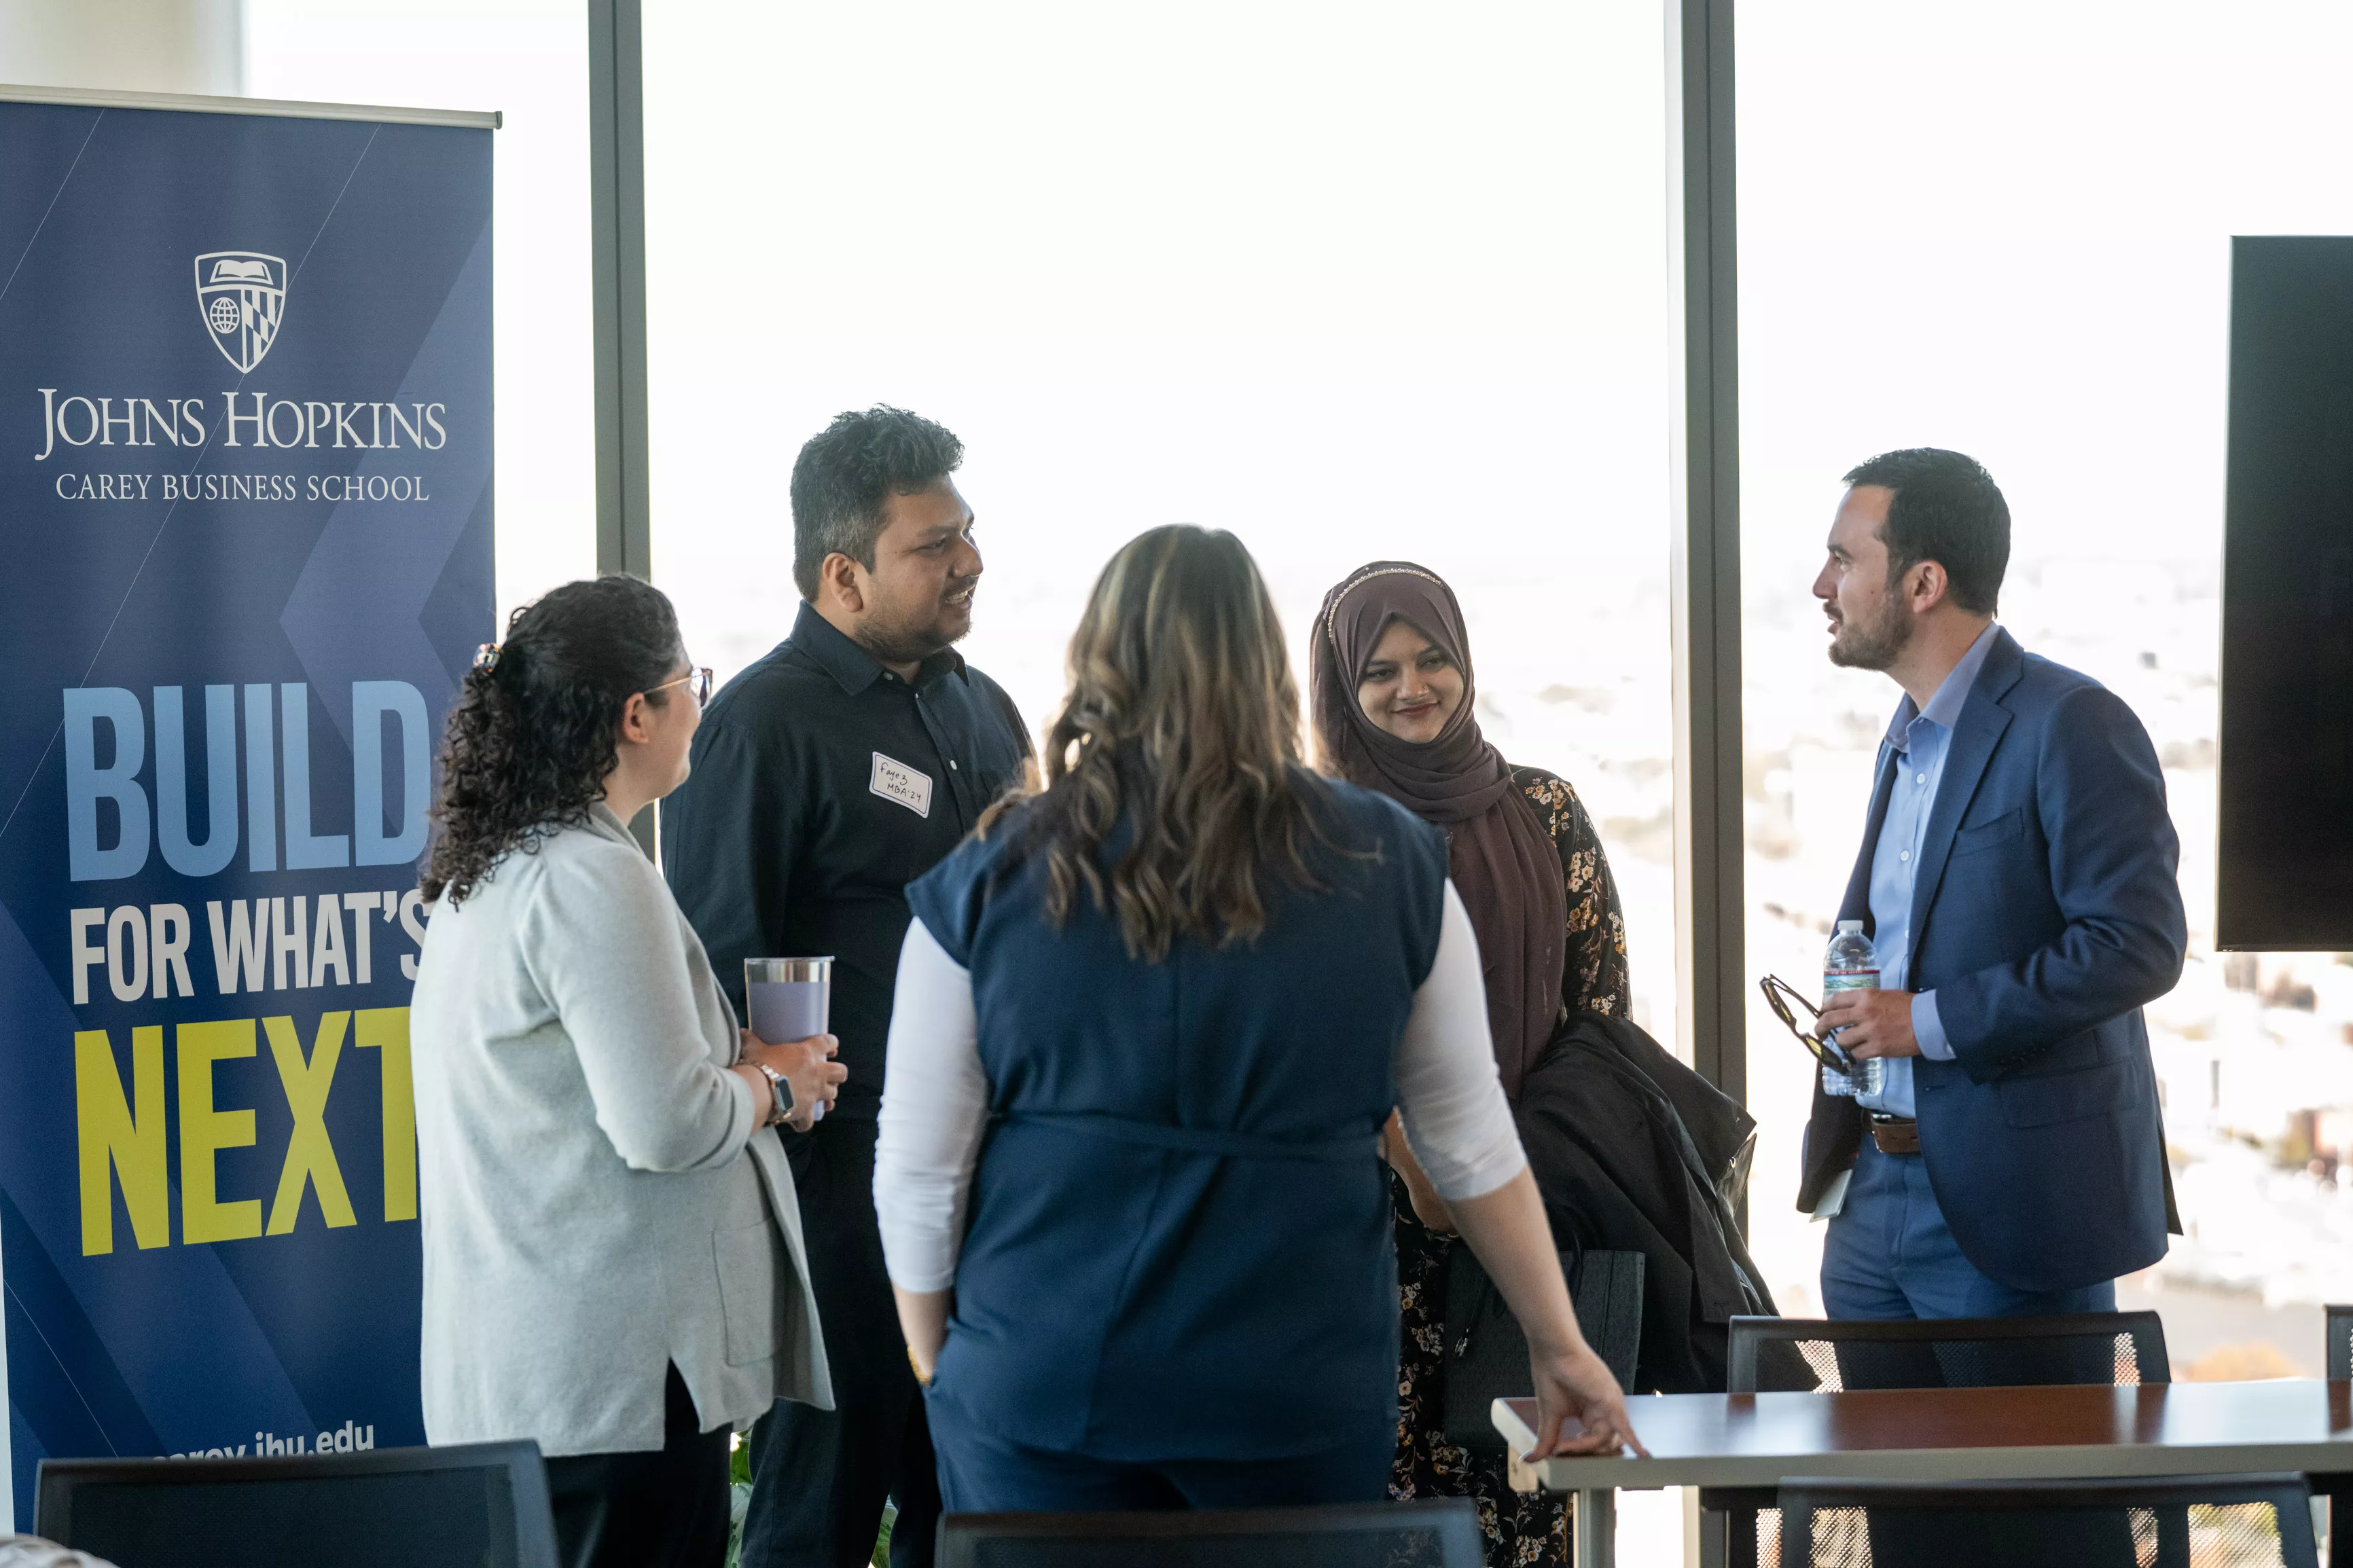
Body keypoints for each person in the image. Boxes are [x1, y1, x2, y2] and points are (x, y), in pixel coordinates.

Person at [874, 526, 1643, 1514]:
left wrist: (943, 1360)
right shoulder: (1394, 864)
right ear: (1266, 668)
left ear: (1098, 661)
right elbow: (1468, 1138)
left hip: (1044, 1380)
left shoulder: (987, 878)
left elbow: (920, 1167)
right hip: (1297, 1387)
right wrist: (1556, 1340)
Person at [408, 575, 846, 1568]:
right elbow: (664, 1124)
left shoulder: (504, 862)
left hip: (531, 1381)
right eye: (690, 678)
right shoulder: (594, 876)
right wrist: (776, 1087)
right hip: (610, 1393)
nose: (702, 700)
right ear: (636, 713)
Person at [662, 407, 1031, 1568]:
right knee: (818, 1499)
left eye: (965, 532)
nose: (969, 559)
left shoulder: (984, 706)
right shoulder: (760, 725)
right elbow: (719, 970)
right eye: (933, 543)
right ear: (843, 572)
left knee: (967, 1495)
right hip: (837, 1186)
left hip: (992, 1177)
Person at [1800, 448, 2187, 1319]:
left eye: (1843, 559)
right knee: (1871, 1461)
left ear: (1922, 582)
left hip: (2015, 1210)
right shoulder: (1900, 739)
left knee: (2022, 1464)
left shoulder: (2072, 721)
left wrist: (1920, 1020)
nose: (1821, 586)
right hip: (1869, 1197)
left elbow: (2138, 945)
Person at [1308, 560, 1632, 1563]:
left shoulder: (1546, 811)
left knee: (1522, 1508)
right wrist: (1414, 1152)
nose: (1413, 687)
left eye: (1433, 658)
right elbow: (1300, 1030)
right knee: (1374, 1516)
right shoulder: (1312, 832)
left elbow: (1601, 1019)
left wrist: (1504, 1163)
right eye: (1381, 670)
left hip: (1525, 1230)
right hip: (1360, 1244)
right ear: (1340, 690)